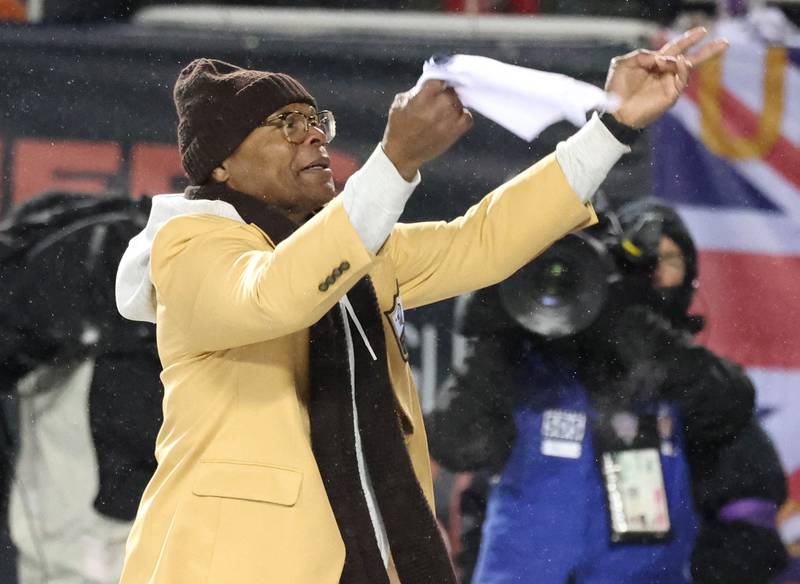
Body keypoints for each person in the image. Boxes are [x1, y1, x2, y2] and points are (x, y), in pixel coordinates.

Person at [114, 29, 726, 584]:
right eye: (282, 122)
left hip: (369, 557)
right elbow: (278, 294)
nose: (313, 132)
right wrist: (394, 163)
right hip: (233, 566)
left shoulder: (351, 248)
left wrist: (610, 128)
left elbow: (480, 241)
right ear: (221, 162)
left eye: (312, 116)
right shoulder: (188, 247)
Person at [426, 200, 788, 584]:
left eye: (671, 259)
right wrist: (495, 332)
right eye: (652, 258)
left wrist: (628, 321)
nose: (660, 272)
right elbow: (457, 444)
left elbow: (732, 417)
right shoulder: (526, 366)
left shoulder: (681, 373)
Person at [0, 192, 163, 584]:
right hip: (138, 377)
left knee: (76, 556)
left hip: (103, 397)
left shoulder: (60, 249)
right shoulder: (99, 240)